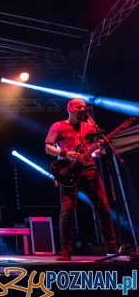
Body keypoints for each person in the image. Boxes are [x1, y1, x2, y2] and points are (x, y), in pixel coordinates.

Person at [45, 98, 117, 260]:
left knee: (104, 208)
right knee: (67, 211)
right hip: (69, 172)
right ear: (69, 108)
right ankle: (65, 250)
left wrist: (99, 150)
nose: (82, 109)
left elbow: (95, 148)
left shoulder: (91, 125)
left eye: (84, 106)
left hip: (90, 170)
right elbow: (48, 147)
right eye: (78, 107)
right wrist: (65, 154)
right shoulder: (58, 126)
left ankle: (112, 247)